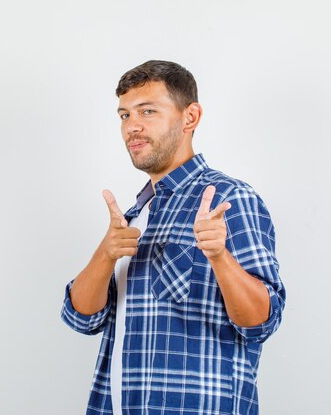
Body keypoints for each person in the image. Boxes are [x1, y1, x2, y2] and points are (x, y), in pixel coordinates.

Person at [60, 60, 286, 415]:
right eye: (124, 115)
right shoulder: (135, 214)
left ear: (190, 117)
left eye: (147, 111)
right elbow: (81, 318)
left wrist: (220, 257)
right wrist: (105, 254)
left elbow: (262, 322)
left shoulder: (229, 198)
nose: (132, 127)